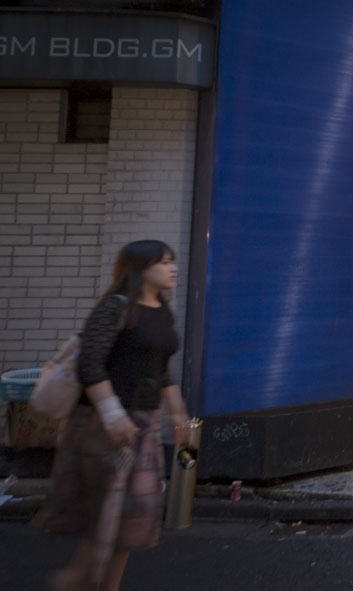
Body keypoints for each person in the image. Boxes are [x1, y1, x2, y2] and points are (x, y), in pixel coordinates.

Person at [36, 240, 189, 591]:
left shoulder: (162, 311)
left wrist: (177, 413)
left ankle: (89, 581)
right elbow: (90, 363)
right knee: (111, 508)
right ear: (140, 268)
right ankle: (80, 578)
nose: (172, 268)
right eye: (164, 262)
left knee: (133, 513)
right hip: (100, 426)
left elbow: (162, 370)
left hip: (143, 424)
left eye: (173, 262)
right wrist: (111, 413)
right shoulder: (114, 308)